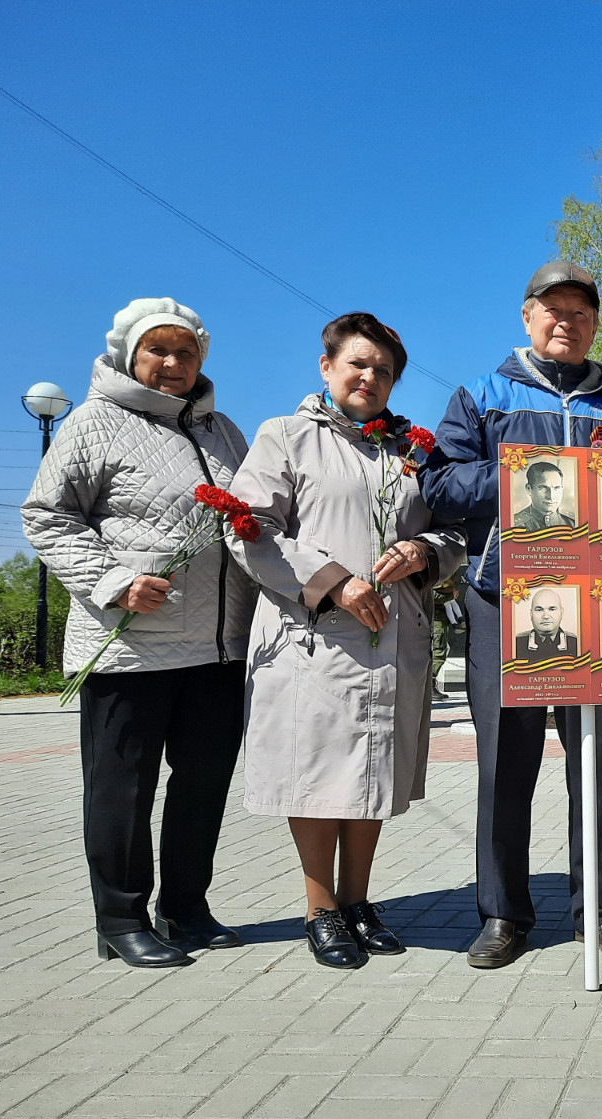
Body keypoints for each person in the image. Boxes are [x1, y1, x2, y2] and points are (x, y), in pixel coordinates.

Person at [421, 261, 602, 967]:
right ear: (527, 317)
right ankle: (503, 913)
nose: (567, 322)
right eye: (552, 309)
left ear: (595, 324)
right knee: (505, 760)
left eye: (581, 312)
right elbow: (439, 483)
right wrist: (524, 471)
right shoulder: (482, 398)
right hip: (505, 596)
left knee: (597, 761)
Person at [23, 298, 258, 967]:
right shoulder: (94, 423)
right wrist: (113, 581)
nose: (174, 363)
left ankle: (185, 907)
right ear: (131, 354)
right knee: (122, 788)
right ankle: (121, 917)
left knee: (203, 782)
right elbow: (46, 516)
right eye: (158, 349)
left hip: (218, 648)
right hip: (131, 646)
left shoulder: (224, 432)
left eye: (186, 352)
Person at [225, 313, 463, 969]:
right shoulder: (287, 438)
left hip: (391, 641)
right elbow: (251, 529)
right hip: (316, 641)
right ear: (326, 366)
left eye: (384, 370)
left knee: (372, 777)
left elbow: (454, 533)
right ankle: (319, 907)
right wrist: (332, 581)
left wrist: (424, 549)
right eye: (358, 363)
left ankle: (359, 901)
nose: (370, 377)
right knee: (320, 774)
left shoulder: (410, 453)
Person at [515, 589, 578, 660]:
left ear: (562, 613)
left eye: (552, 609)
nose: (546, 616)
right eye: (539, 610)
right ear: (531, 614)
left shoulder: (577, 644)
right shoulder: (516, 644)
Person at [514, 461, 575, 530]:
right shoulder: (514, 524)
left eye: (556, 488)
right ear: (529, 489)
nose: (551, 496)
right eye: (543, 488)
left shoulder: (574, 521)